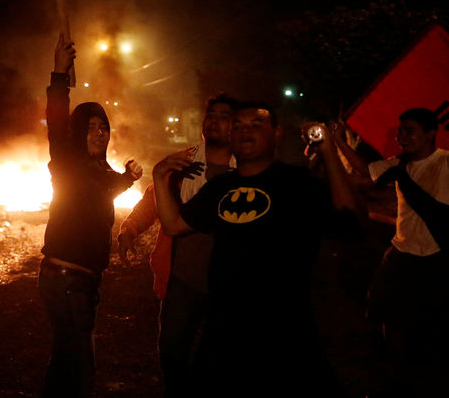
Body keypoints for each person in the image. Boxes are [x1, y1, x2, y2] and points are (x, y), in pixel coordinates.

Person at [154, 101, 365, 396]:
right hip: (224, 330)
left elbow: (349, 222)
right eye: (237, 125)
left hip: (284, 328)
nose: (244, 131)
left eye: (256, 124)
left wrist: (328, 151)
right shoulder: (221, 187)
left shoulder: (296, 183)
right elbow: (174, 225)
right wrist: (158, 177)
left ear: (276, 133)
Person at [40, 34, 143, 397]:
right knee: (82, 366)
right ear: (76, 132)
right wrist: (58, 72)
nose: (100, 133)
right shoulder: (68, 161)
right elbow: (55, 118)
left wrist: (128, 177)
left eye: (104, 127)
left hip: (84, 280)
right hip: (66, 278)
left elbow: (108, 187)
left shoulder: (99, 171)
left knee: (66, 360)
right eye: (91, 127)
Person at [117, 93, 235, 396]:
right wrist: (129, 230)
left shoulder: (247, 170)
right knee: (172, 353)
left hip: (230, 283)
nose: (215, 121)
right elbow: (155, 200)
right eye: (211, 115)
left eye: (224, 116)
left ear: (236, 126)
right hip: (183, 278)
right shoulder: (182, 164)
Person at [335, 108, 449, 394]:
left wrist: (403, 178)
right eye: (400, 131)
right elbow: (366, 170)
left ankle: (423, 374)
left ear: (431, 133)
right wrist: (339, 142)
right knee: (383, 307)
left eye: (409, 131)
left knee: (428, 321)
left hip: (435, 256)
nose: (401, 137)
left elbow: (438, 214)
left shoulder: (445, 163)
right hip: (401, 249)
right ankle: (392, 370)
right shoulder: (400, 163)